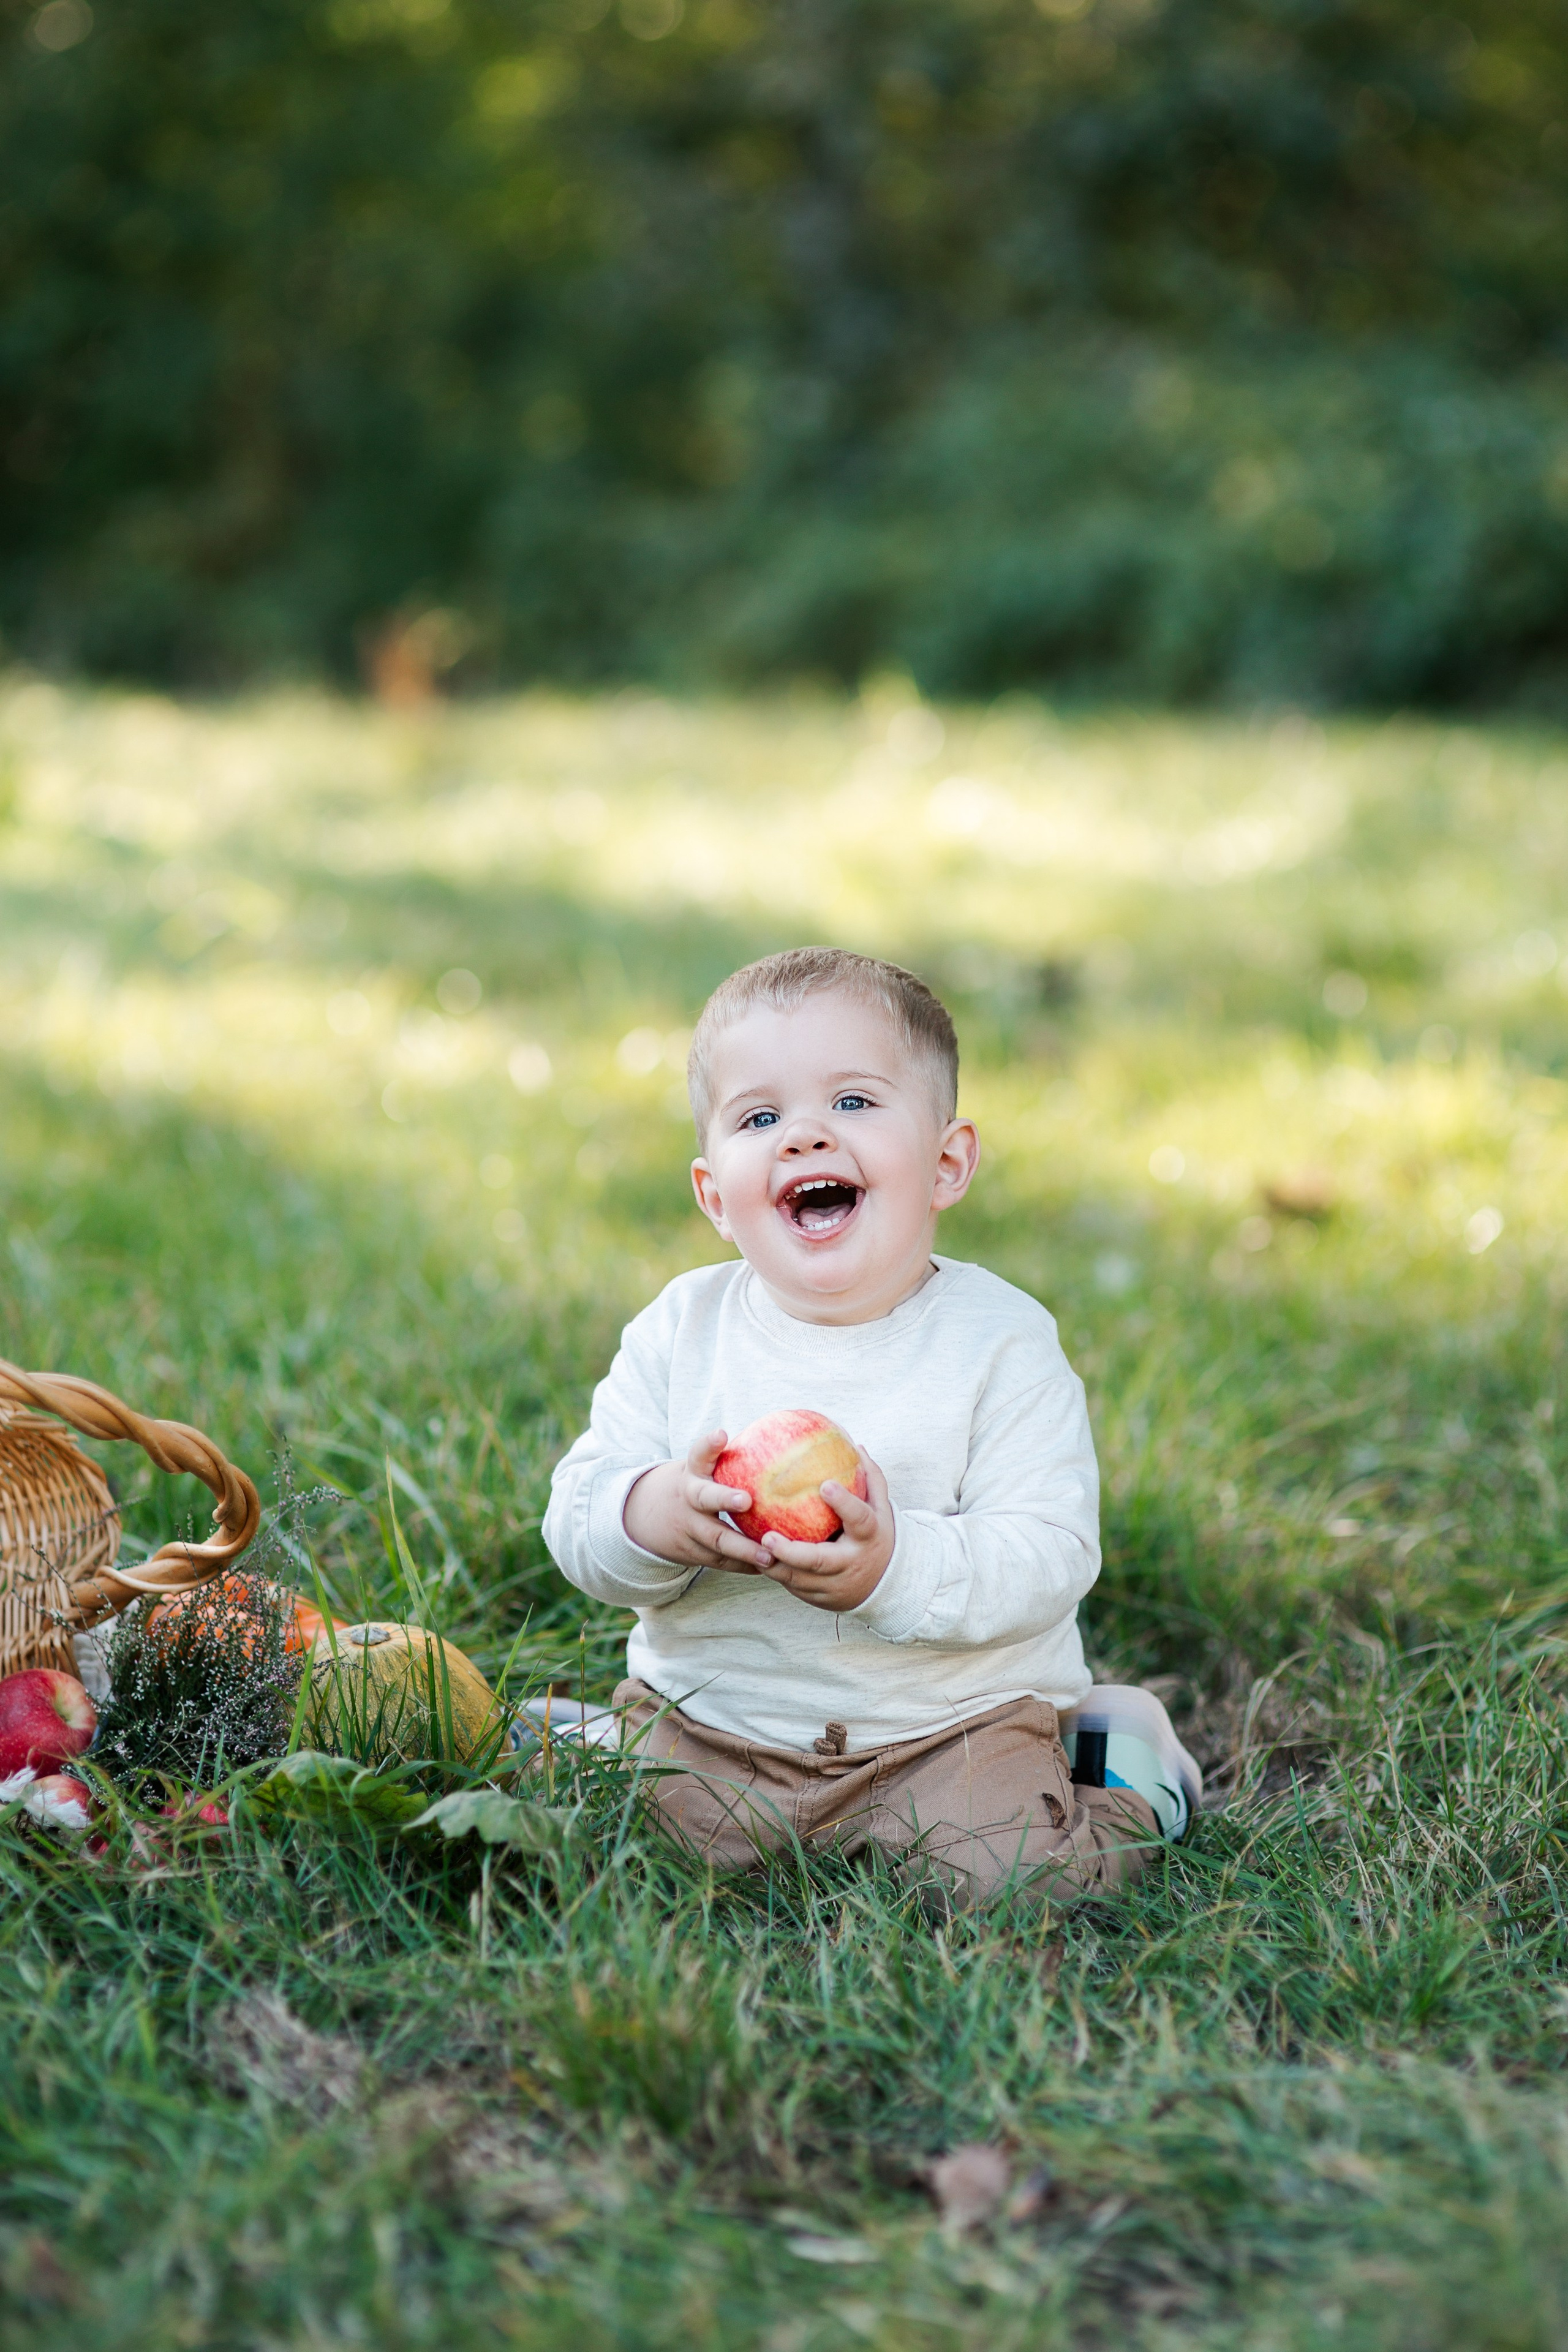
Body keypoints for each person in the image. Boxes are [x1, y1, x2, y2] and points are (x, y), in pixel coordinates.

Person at [543, 947, 1200, 1908]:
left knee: (1015, 1881)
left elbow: (1051, 1553)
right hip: (714, 1731)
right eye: (759, 1118)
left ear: (946, 1163)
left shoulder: (1000, 1342)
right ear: (715, 1195)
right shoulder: (681, 1332)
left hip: (949, 1734)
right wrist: (651, 1515)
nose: (805, 1135)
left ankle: (1125, 1764)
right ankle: (596, 1744)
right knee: (598, 1844)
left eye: (853, 1102)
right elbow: (577, 1515)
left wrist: (893, 1569)